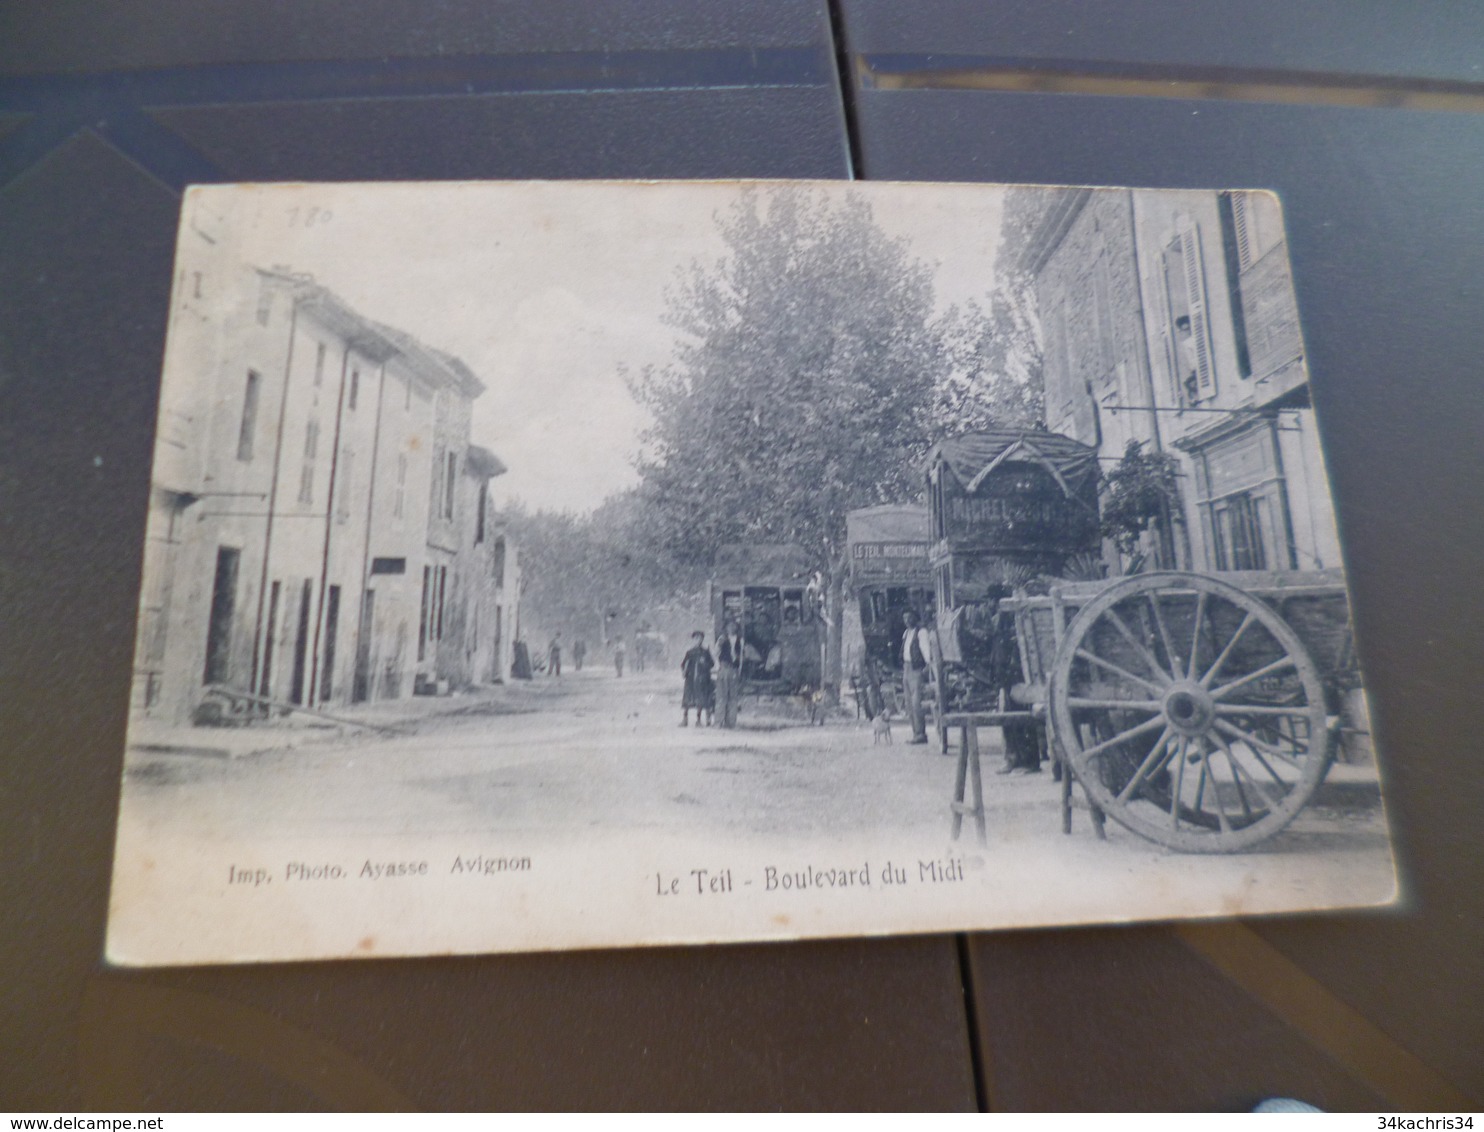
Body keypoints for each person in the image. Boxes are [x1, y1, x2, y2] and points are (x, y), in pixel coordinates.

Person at [901, 609, 935, 745]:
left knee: (916, 702)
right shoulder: (906, 633)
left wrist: (927, 665)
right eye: (904, 618)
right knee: (909, 702)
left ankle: (921, 733)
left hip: (916, 669)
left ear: (915, 618)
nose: (907, 621)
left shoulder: (921, 632)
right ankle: (915, 733)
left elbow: (925, 649)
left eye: (909, 618)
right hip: (907, 667)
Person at [680, 631, 715, 727]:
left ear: (702, 640)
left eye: (700, 638)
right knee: (687, 699)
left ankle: (698, 720)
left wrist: (705, 663)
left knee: (700, 700)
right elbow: (683, 664)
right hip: (690, 679)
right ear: (693, 640)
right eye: (696, 638)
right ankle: (685, 719)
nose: (698, 640)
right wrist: (685, 671)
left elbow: (712, 664)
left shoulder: (705, 652)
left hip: (702, 679)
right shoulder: (690, 652)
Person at [715, 618, 744, 729]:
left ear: (736, 628)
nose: (731, 628)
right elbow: (716, 653)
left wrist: (739, 669)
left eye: (733, 626)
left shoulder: (740, 640)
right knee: (721, 696)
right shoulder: (722, 639)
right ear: (726, 628)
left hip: (733, 670)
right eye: (729, 626)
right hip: (724, 668)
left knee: (733, 697)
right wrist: (719, 667)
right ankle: (718, 721)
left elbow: (740, 656)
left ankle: (731, 722)